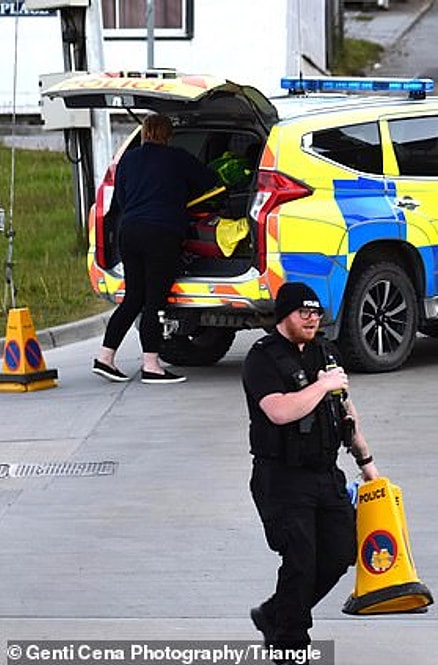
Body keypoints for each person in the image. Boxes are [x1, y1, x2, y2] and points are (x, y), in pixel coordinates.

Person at [242, 281, 379, 653]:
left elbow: (345, 411)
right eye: (303, 313)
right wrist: (321, 386)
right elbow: (279, 411)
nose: (311, 319)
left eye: (316, 313)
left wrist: (367, 462)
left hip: (325, 474)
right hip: (281, 477)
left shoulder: (326, 353)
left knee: (339, 554)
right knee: (300, 560)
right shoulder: (262, 358)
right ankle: (290, 645)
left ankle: (276, 613)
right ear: (284, 315)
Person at [91, 113, 220, 385]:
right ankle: (151, 365)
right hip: (161, 233)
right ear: (168, 135)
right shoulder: (177, 158)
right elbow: (210, 181)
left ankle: (105, 358)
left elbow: (121, 199)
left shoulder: (128, 159)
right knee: (154, 300)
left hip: (129, 232)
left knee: (133, 298)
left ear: (144, 133)